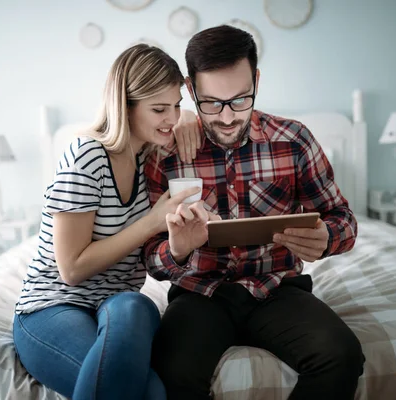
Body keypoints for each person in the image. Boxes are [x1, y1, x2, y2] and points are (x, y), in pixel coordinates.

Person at [142, 25, 365, 400]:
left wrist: (327, 237)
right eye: (212, 102)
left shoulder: (293, 140)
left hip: (277, 289)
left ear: (257, 80)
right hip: (199, 294)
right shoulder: (163, 154)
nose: (227, 118)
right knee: (169, 373)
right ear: (190, 88)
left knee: (341, 356)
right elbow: (150, 257)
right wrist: (177, 249)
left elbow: (343, 219)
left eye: (240, 99)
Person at [12, 44, 200, 400]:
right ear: (124, 106)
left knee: (136, 304)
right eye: (159, 109)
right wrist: (150, 222)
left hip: (118, 303)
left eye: (176, 106)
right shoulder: (86, 155)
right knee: (151, 393)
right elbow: (71, 269)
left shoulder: (152, 156)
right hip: (54, 305)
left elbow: (227, 124)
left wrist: (191, 117)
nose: (172, 119)